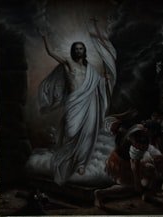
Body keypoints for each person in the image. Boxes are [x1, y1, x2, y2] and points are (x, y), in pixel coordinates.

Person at [38, 18, 116, 185]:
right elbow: (52, 52)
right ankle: (64, 159)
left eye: (81, 48)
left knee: (87, 133)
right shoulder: (68, 65)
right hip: (73, 103)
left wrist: (104, 80)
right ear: (73, 51)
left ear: (84, 51)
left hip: (88, 104)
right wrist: (44, 37)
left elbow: (97, 84)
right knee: (72, 133)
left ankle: (81, 164)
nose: (79, 50)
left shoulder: (90, 70)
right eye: (77, 48)